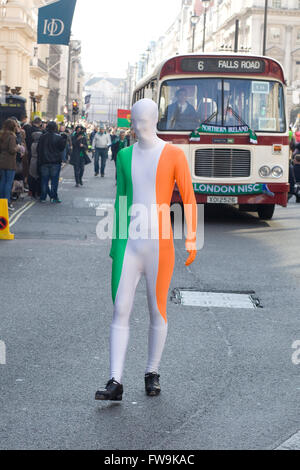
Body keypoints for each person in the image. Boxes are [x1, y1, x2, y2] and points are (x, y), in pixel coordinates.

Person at [95, 99, 197, 401]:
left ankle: (152, 371)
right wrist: (115, 243)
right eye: (134, 120)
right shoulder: (124, 155)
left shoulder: (174, 154)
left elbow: (189, 198)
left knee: (157, 309)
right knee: (120, 308)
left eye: (143, 120)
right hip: (129, 243)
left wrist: (191, 237)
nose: (138, 125)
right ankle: (115, 380)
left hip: (159, 244)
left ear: (154, 120)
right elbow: (121, 199)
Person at [37, 121, 67, 203]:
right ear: (55, 128)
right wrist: (64, 139)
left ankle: (43, 197)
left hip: (44, 162)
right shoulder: (58, 137)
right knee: (54, 181)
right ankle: (53, 197)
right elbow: (61, 148)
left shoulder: (42, 137)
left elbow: (38, 150)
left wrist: (39, 161)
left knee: (44, 180)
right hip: (55, 162)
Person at [0, 119, 22, 211]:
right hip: (9, 162)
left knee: (3, 182)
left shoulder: (1, 135)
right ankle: (7, 202)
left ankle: (1, 202)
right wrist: (18, 147)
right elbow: (12, 150)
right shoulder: (11, 137)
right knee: (8, 183)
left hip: (2, 160)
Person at [29, 131, 43, 199]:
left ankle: (33, 192)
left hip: (32, 160)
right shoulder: (39, 144)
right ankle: (38, 192)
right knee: (37, 177)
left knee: (33, 176)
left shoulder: (32, 144)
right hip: (37, 160)